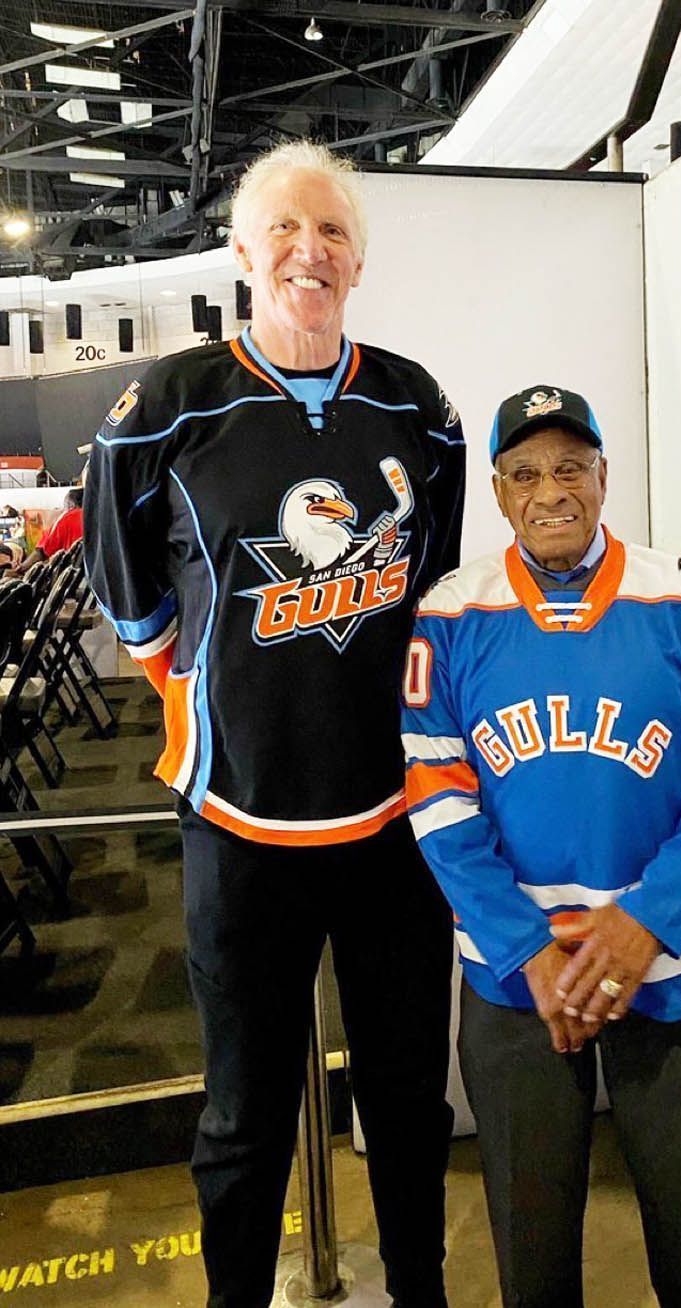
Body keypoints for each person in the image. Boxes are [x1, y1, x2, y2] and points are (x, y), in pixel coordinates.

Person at [84, 140, 465, 1308]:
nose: (311, 251)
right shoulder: (168, 407)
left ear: (359, 261)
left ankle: (420, 1290)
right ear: (243, 253)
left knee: (406, 1097)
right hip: (239, 822)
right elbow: (127, 586)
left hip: (396, 819)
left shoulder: (417, 405)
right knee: (244, 1113)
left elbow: (433, 583)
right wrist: (204, 683)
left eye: (333, 231)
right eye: (286, 231)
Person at [401, 385, 681, 1308]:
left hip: (673, 970)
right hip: (517, 985)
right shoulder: (450, 615)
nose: (551, 492)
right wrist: (528, 949)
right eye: (526, 473)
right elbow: (438, 800)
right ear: (499, 492)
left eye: (571, 468)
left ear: (604, 477)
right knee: (532, 1260)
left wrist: (645, 923)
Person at [10, 487, 83, 573]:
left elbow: (41, 552)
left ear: (71, 505)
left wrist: (20, 569)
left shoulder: (68, 518)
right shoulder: (95, 517)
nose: (64, 510)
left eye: (65, 506)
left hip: (73, 574)